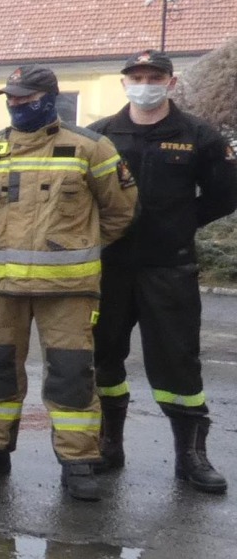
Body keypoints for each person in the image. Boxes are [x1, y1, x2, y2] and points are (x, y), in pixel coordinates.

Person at [0, 65, 138, 501]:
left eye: (25, 97)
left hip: (68, 289)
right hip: (2, 288)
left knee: (72, 376)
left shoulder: (90, 148)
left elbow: (119, 211)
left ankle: (78, 461)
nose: (17, 104)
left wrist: (77, 244)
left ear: (49, 97)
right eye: (12, 98)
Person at [89, 50, 237, 493]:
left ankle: (190, 456)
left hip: (169, 267)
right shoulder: (100, 135)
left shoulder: (199, 135)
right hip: (110, 267)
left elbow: (227, 193)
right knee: (103, 357)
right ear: (124, 83)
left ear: (171, 83)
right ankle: (108, 442)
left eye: (154, 76)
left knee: (178, 365)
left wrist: (183, 222)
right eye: (137, 76)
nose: (145, 83)